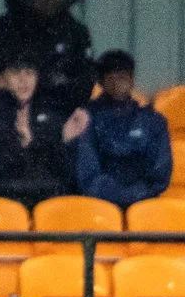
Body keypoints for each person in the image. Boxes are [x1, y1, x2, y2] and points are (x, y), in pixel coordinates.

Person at [0, 58, 84, 209]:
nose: (23, 79)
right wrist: (24, 147)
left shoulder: (48, 117)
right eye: (15, 72)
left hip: (44, 200)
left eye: (29, 73)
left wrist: (64, 140)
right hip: (0, 203)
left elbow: (64, 174)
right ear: (0, 80)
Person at [0, 0, 93, 117]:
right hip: (11, 113)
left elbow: (86, 79)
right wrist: (48, 80)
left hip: (61, 113)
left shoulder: (75, 32)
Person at [72, 51, 172, 207]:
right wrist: (118, 196)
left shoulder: (153, 121)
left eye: (123, 77)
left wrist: (134, 195)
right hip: (99, 205)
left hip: (143, 204)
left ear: (131, 80)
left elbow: (159, 174)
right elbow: (88, 174)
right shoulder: (86, 119)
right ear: (101, 82)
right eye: (111, 78)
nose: (117, 83)